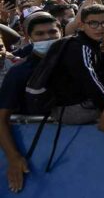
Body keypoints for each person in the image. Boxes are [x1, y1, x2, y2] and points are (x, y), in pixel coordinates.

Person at [0, 12, 61, 193]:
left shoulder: (76, 62)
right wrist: (13, 158)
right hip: (34, 150)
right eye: (40, 34)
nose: (47, 37)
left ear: (61, 33)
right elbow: (2, 118)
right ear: (29, 38)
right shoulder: (19, 72)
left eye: (52, 32)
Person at [48, 4, 104, 124]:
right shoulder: (80, 46)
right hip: (71, 109)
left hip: (76, 105)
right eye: (93, 23)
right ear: (82, 26)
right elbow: (89, 80)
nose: (100, 28)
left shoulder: (91, 43)